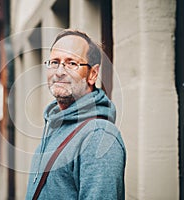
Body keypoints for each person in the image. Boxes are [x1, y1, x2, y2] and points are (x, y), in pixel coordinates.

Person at [25, 29, 126, 199]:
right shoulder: (56, 123)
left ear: (92, 74)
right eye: (54, 62)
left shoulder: (98, 136)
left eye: (71, 63)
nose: (59, 72)